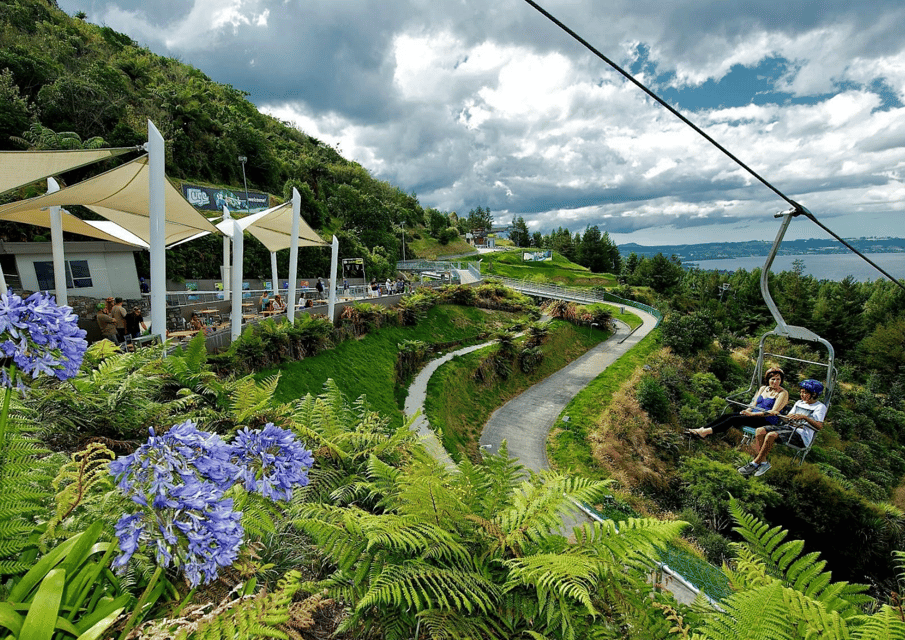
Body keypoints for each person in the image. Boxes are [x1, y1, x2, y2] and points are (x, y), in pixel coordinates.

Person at [738, 379, 828, 477]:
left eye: (805, 393)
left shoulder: (820, 407)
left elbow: (819, 426)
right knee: (760, 430)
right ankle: (763, 463)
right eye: (801, 392)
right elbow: (787, 418)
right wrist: (782, 416)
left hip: (801, 435)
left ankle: (754, 464)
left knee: (771, 435)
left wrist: (804, 417)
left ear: (814, 394)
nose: (802, 395)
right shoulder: (799, 403)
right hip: (788, 428)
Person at [686, 367, 788, 440]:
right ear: (768, 380)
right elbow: (754, 403)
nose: (775, 382)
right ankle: (702, 429)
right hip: (753, 415)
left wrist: (752, 414)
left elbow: (773, 412)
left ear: (781, 380)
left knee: (733, 419)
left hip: (765, 420)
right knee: (727, 415)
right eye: (773, 379)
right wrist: (748, 410)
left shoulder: (782, 393)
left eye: (778, 379)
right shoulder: (763, 389)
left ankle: (704, 433)